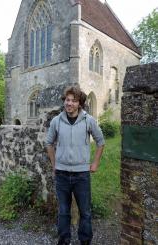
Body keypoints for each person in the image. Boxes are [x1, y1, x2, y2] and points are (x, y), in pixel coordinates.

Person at [46, 86, 105, 245]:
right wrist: (54, 164)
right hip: (62, 174)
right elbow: (49, 143)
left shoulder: (88, 120)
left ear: (79, 103)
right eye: (67, 100)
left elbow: (101, 142)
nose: (69, 103)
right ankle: (64, 240)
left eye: (73, 100)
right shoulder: (56, 121)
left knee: (85, 212)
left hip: (82, 175)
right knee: (63, 212)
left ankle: (85, 240)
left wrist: (95, 163)